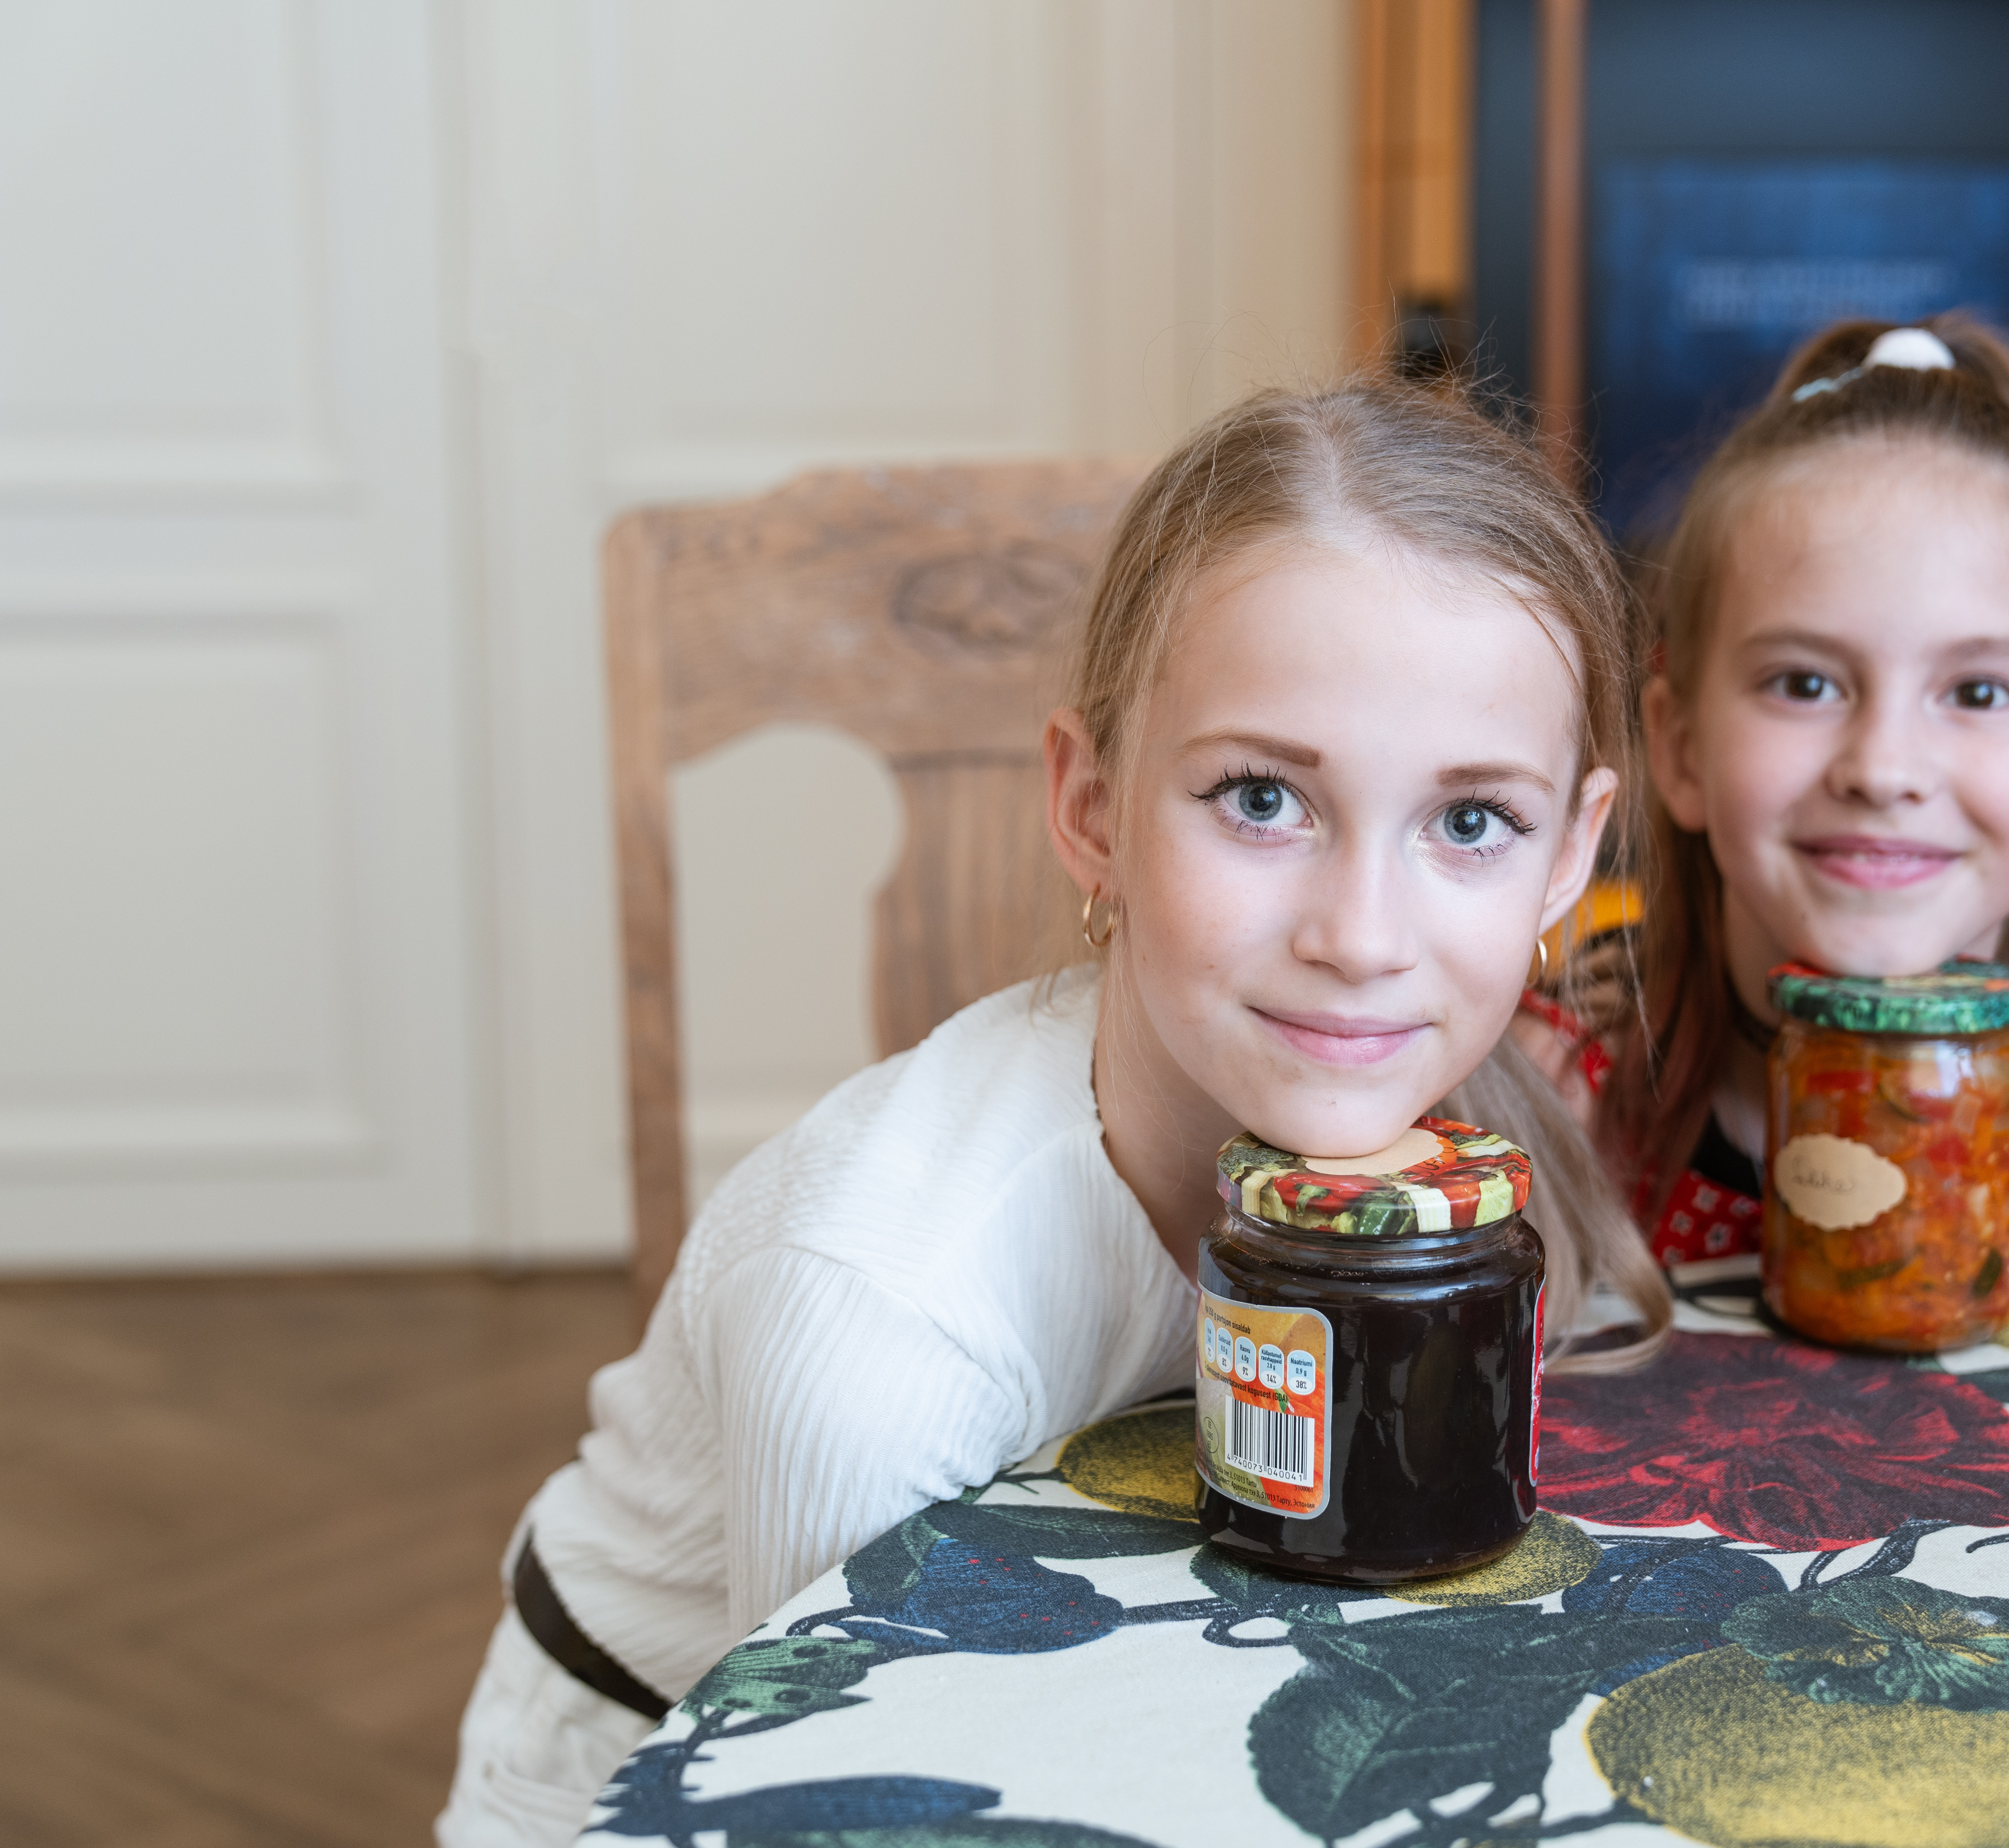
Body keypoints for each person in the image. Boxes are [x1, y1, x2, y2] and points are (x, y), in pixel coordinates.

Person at [437, 378, 1671, 1848]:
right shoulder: (888, 1329)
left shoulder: (1436, 1120)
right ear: (1092, 805)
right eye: (1263, 799)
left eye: (1470, 821)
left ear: (1564, 858)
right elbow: (852, 1789)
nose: (1362, 933)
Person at [1592, 315, 2009, 1266]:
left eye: (1976, 692)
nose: (1883, 771)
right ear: (1679, 746)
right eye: (1804, 683)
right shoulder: (1560, 1116)